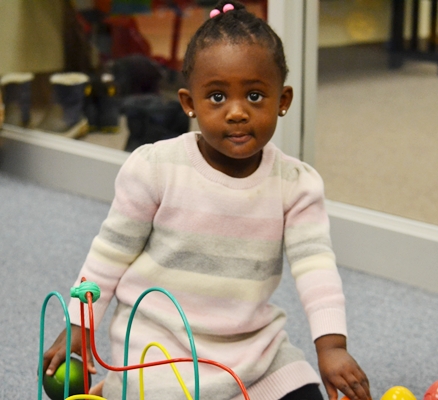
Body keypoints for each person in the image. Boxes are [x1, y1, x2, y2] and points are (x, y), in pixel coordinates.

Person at [43, 1, 371, 399]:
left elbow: (316, 269)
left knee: (302, 390)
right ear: (189, 103)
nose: (236, 113)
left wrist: (331, 347)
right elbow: (110, 253)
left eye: (254, 95)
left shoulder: (296, 184)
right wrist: (81, 325)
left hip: (255, 351)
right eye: (216, 97)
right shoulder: (156, 168)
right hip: (160, 351)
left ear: (283, 100)